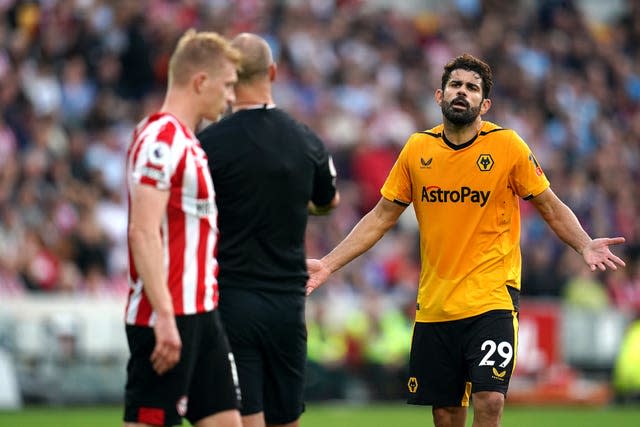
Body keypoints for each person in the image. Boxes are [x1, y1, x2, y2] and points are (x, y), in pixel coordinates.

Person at [306, 53, 626, 427]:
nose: (462, 92)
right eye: (455, 85)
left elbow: (549, 205)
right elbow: (380, 217)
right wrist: (328, 263)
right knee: (445, 414)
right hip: (436, 303)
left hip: (492, 297)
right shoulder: (417, 150)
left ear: (484, 104)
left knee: (489, 398)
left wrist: (584, 243)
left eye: (472, 88)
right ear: (439, 95)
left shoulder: (507, 146)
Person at [197, 33, 339, 427]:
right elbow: (328, 201)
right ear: (273, 72)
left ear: (230, 76)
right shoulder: (305, 139)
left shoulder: (208, 144)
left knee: (245, 418)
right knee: (287, 420)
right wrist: (297, 201)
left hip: (232, 300)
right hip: (287, 304)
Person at [124, 29, 243, 427]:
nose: (231, 98)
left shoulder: (190, 143)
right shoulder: (161, 139)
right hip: (168, 316)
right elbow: (143, 232)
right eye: (227, 86)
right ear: (200, 81)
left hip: (202, 312)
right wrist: (164, 316)